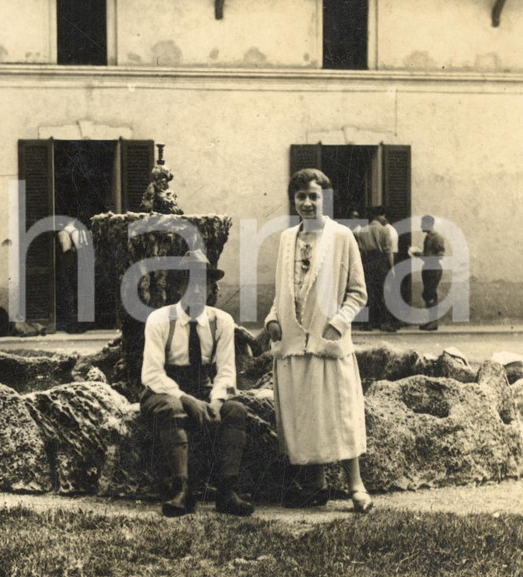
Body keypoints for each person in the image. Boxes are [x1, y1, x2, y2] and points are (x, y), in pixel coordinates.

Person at [265, 169, 373, 514]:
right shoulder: (286, 239)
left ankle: (356, 486)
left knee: (339, 414)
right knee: (305, 416)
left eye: (314, 196)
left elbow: (358, 292)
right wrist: (272, 319)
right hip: (293, 342)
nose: (308, 203)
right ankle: (317, 486)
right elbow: (283, 290)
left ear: (326, 198)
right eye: (301, 197)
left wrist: (338, 323)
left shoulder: (342, 237)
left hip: (327, 340)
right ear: (293, 200)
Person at [140, 250, 254, 517]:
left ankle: (226, 492)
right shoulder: (159, 320)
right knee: (173, 409)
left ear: (211, 288)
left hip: (203, 387)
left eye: (203, 283)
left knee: (235, 411)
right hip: (163, 389)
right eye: (189, 282)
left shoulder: (221, 321)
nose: (196, 290)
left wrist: (214, 403)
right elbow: (152, 374)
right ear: (179, 286)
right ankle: (182, 490)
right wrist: (187, 400)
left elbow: (226, 372)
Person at [355, 207, 396, 332]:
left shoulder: (361, 231)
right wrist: (392, 267)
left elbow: (360, 250)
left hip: (367, 262)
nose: (384, 218)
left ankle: (367, 323)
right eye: (383, 215)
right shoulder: (384, 230)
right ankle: (383, 322)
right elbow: (388, 250)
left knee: (367, 293)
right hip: (380, 260)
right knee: (383, 292)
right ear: (378, 216)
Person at [56, 214, 91, 333]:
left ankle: (73, 326)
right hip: (84, 266)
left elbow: (67, 252)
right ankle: (82, 325)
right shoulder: (82, 232)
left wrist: (65, 271)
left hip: (72, 266)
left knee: (70, 294)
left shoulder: (64, 233)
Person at [415, 215, 446, 331]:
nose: (421, 226)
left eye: (423, 224)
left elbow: (441, 254)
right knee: (427, 294)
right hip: (428, 267)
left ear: (429, 224)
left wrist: (423, 255)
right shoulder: (428, 237)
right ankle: (430, 320)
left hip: (434, 268)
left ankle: (433, 321)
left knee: (430, 294)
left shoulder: (437, 237)